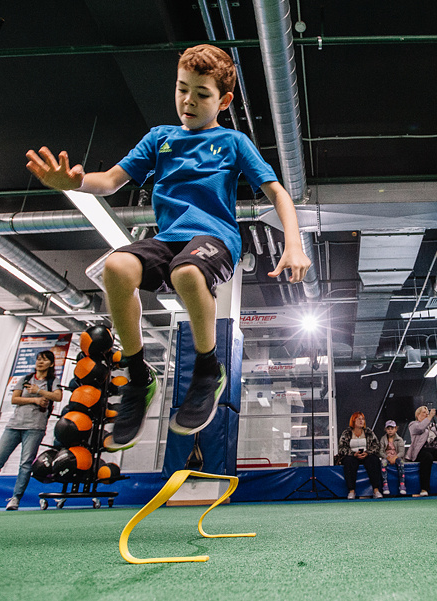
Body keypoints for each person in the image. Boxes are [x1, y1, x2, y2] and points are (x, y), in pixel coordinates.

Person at [26, 44, 310, 451]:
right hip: (167, 239)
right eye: (182, 89)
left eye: (201, 93)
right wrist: (76, 183)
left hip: (215, 239)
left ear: (224, 101)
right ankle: (138, 375)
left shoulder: (232, 142)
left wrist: (294, 244)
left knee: (188, 273)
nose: (188, 101)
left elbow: (277, 192)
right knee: (117, 267)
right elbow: (108, 182)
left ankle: (207, 370)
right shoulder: (160, 138)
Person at [0, 351, 63, 511]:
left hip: (34, 427)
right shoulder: (25, 379)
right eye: (38, 359)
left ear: (51, 364)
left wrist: (39, 391)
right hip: (14, 425)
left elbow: (57, 396)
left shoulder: (53, 381)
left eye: (44, 360)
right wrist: (35, 399)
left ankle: (15, 498)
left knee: (25, 464)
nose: (40, 362)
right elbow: (14, 399)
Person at [405, 406, 437, 497]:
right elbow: (420, 428)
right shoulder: (413, 424)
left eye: (427, 413)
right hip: (421, 450)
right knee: (427, 457)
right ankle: (424, 489)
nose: (426, 414)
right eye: (424, 412)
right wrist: (429, 417)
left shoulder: (433, 426)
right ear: (417, 415)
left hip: (435, 449)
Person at [337, 412, 383, 499]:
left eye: (363, 419)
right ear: (353, 421)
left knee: (374, 460)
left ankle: (376, 490)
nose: (361, 421)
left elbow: (376, 445)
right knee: (348, 461)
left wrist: (368, 452)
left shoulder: (369, 432)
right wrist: (353, 454)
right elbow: (341, 448)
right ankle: (351, 491)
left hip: (366, 454)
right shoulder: (346, 433)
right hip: (352, 455)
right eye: (359, 419)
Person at [378, 420, 407, 496]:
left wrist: (395, 457)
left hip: (396, 457)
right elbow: (381, 451)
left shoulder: (399, 439)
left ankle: (402, 484)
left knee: (401, 463)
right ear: (385, 429)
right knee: (383, 463)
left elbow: (402, 452)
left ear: (396, 429)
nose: (390, 430)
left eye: (392, 428)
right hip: (387, 457)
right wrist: (387, 457)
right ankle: (385, 484)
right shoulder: (383, 439)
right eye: (388, 429)